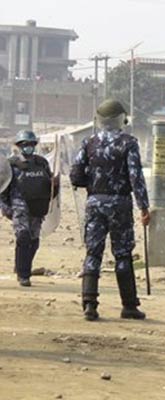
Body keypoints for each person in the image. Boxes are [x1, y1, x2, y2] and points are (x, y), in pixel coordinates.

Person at [70, 99, 150, 321]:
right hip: (120, 204)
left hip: (94, 203)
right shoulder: (128, 143)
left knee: (93, 253)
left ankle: (89, 305)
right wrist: (144, 207)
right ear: (122, 119)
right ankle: (129, 305)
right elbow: (136, 177)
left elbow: (75, 175)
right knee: (123, 254)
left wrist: (94, 186)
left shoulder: (89, 143)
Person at [0, 130, 58, 287]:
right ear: (19, 146)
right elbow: (2, 188)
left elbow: (49, 188)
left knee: (34, 241)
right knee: (23, 237)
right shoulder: (10, 164)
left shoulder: (42, 163)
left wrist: (55, 184)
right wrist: (5, 207)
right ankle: (23, 274)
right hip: (19, 205)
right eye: (25, 145)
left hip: (37, 206)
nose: (29, 147)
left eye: (31, 144)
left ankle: (21, 265)